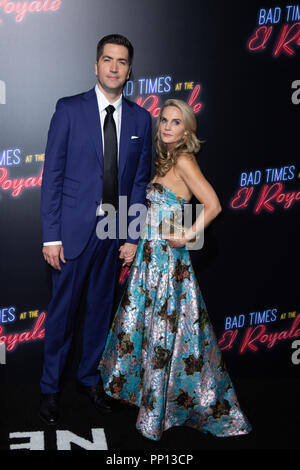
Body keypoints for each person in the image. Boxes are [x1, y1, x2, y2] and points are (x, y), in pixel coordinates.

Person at [100, 99, 252, 441]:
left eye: (176, 122)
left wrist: (187, 234)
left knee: (168, 333)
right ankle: (153, 404)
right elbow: (153, 214)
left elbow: (213, 204)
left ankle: (167, 410)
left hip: (168, 263)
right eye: (164, 121)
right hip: (149, 258)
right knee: (156, 331)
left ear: (187, 130)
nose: (168, 127)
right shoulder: (164, 159)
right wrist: (134, 243)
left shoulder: (184, 160)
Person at [40, 34, 152, 425]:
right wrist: (51, 235)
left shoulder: (141, 118)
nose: (114, 67)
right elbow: (52, 175)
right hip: (71, 234)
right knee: (62, 314)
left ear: (129, 70)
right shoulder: (69, 109)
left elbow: (139, 181)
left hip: (114, 232)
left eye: (122, 62)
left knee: (100, 313)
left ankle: (89, 379)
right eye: (108, 59)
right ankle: (50, 389)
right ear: (96, 65)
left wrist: (132, 235)